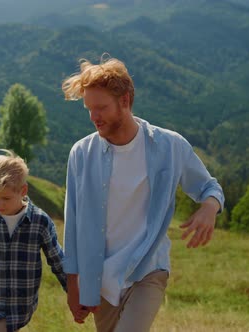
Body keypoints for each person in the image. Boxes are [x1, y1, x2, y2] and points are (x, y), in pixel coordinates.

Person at [61, 56, 225, 332]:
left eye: (101, 108)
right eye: (89, 109)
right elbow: (73, 224)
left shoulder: (170, 146)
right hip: (101, 279)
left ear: (124, 101)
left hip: (148, 269)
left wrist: (210, 207)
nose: (93, 118)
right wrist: (73, 286)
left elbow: (210, 187)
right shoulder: (81, 154)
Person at [0, 150, 67, 332]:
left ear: (23, 191)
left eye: (5, 198)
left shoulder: (40, 221)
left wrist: (76, 294)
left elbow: (57, 260)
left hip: (20, 308)